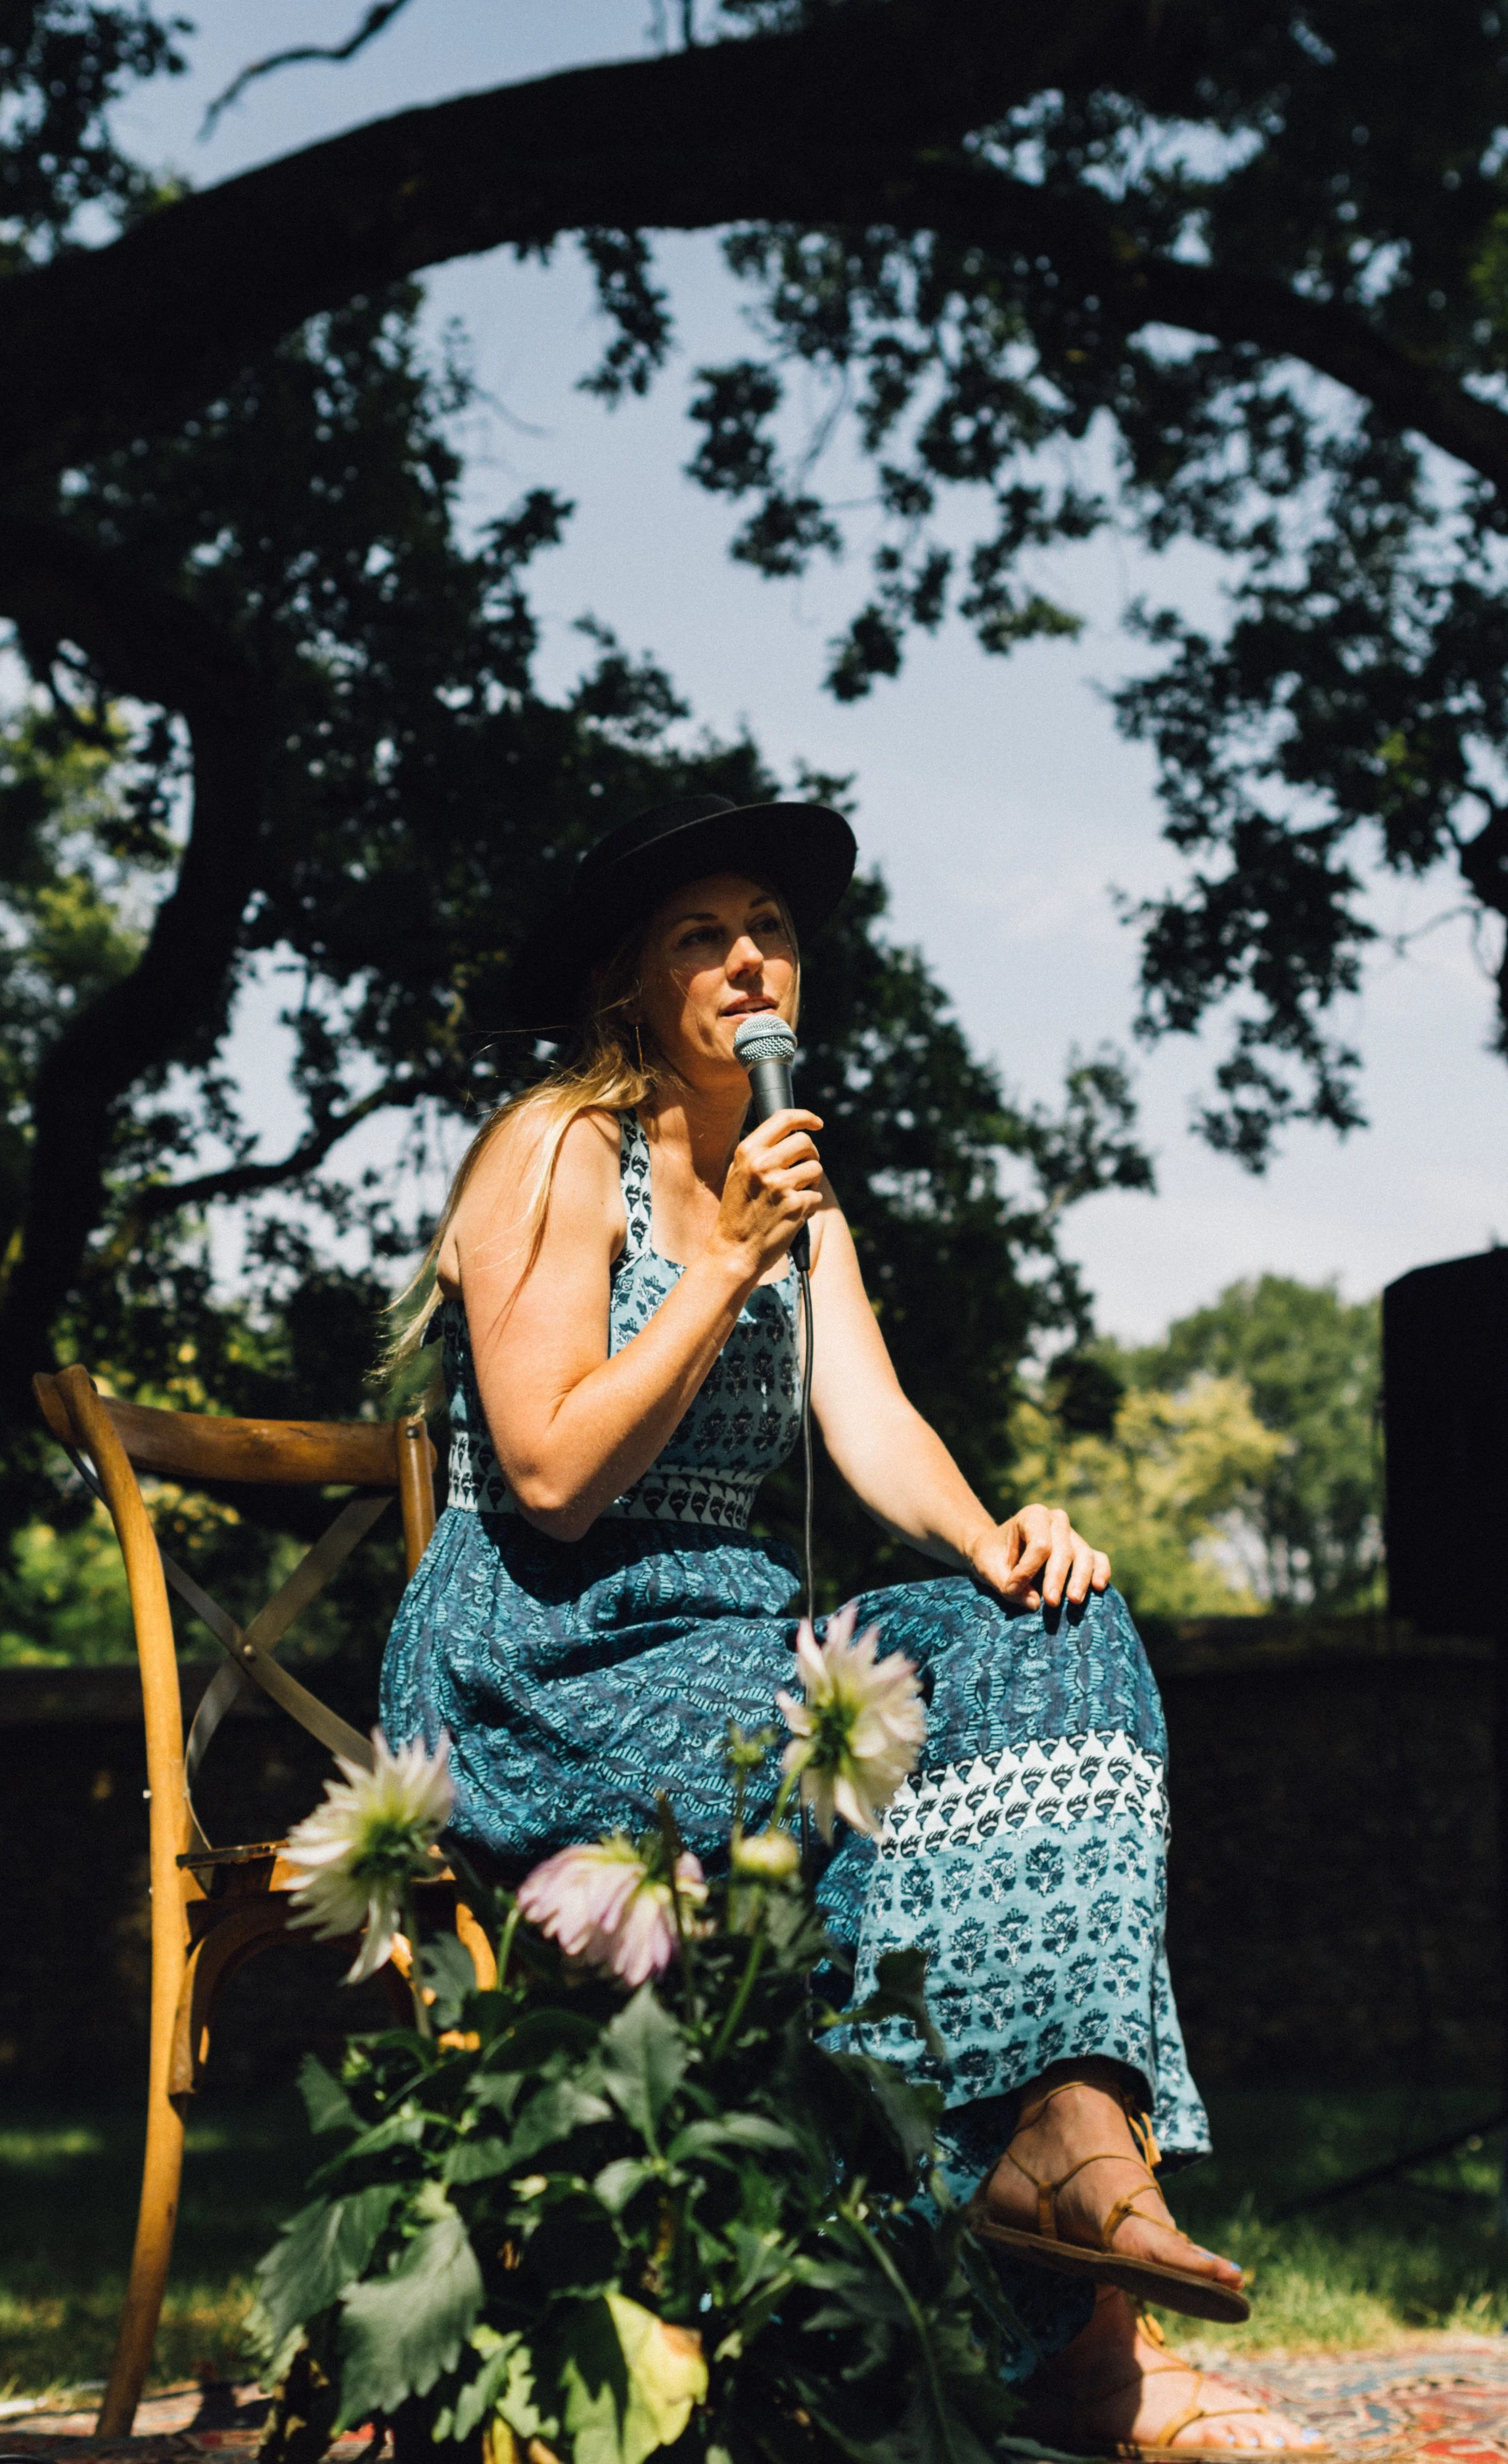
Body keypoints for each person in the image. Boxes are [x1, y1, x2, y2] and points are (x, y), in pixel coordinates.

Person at [380, 793, 1315, 2453]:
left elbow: (870, 1426)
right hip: (539, 1659)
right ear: (629, 984)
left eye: (771, 930)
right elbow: (549, 1478)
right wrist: (723, 1261)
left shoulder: (795, 1190)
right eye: (701, 934)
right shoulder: (555, 1148)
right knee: (867, 1785)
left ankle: (1071, 2135)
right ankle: (1045, 2350)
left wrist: (997, 1540)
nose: (749, 957)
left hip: (723, 1637)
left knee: (1054, 1631)